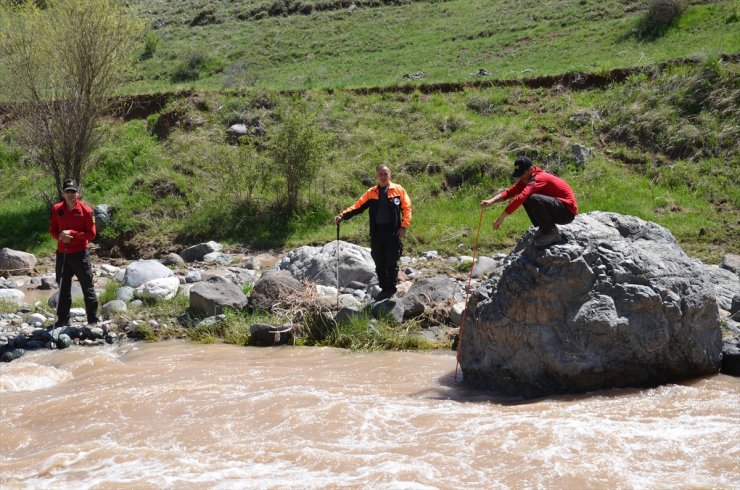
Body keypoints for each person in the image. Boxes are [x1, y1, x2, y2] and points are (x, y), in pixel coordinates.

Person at [334, 165, 412, 301]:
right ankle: (384, 288)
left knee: (391, 261)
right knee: (379, 261)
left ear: (390, 174)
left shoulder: (398, 190)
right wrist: (342, 215)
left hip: (393, 232)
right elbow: (357, 206)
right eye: (380, 174)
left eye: (385, 173)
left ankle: (391, 289)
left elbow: (407, 208)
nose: (383, 176)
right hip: (377, 233)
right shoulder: (371, 192)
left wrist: (404, 226)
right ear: (376, 176)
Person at [480, 156, 578, 247]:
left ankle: (551, 232)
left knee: (529, 198)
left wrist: (502, 217)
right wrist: (491, 201)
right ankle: (544, 228)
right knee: (528, 198)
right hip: (558, 210)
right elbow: (510, 192)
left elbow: (521, 197)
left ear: (531, 169)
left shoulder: (539, 178)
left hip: (566, 213)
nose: (521, 177)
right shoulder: (527, 178)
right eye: (519, 174)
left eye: (522, 174)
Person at [49, 178, 98, 327]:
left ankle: (92, 320)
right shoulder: (57, 209)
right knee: (63, 287)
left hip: (80, 254)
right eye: (68, 191)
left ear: (78, 193)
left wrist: (73, 233)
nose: (71, 194)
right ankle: (63, 319)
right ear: (62, 193)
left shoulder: (87, 211)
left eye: (73, 192)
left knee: (87, 286)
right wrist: (60, 237)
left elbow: (91, 235)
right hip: (62, 253)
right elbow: (52, 230)